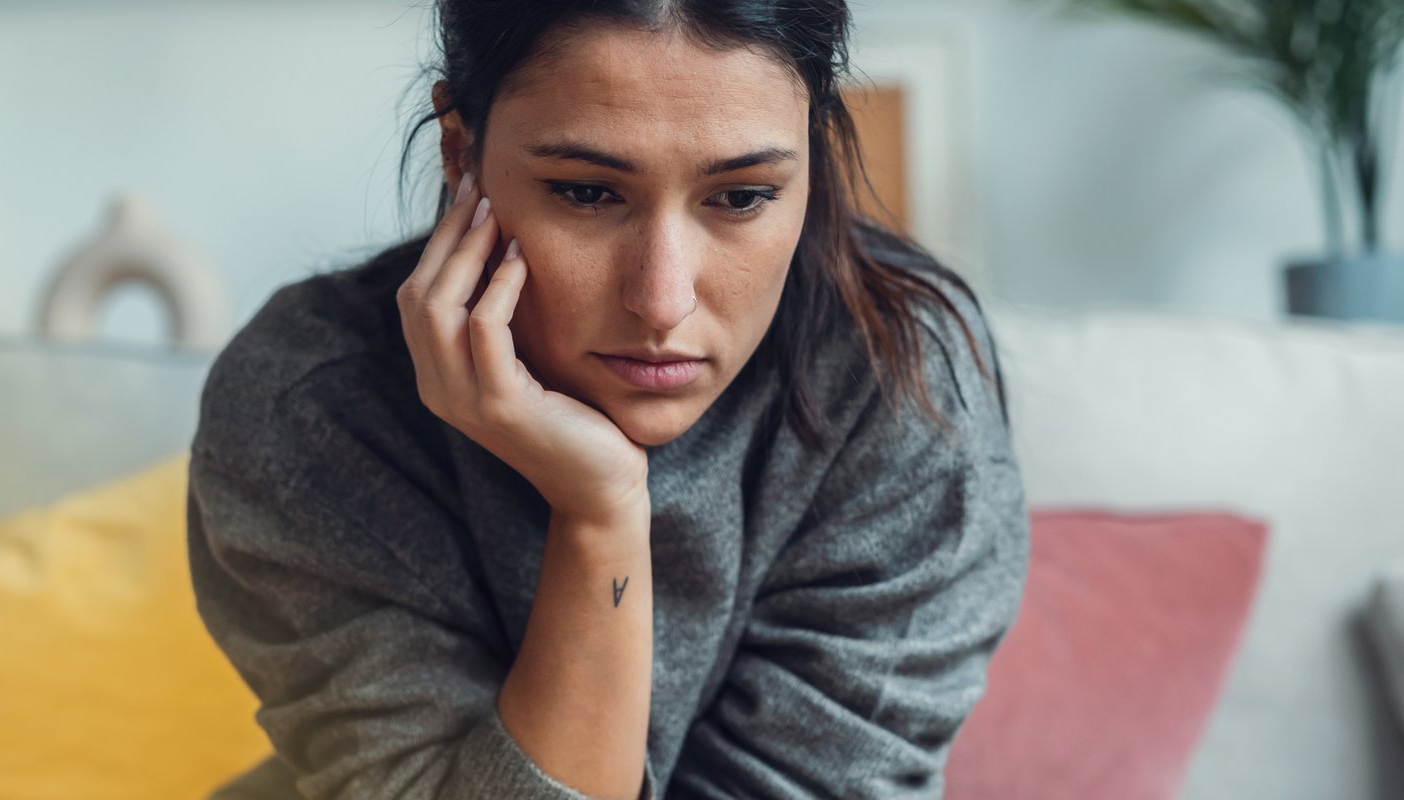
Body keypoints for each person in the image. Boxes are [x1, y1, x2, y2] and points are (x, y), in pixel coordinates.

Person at [185, 1, 1030, 798]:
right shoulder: (310, 408)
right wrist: (598, 516)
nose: (662, 301)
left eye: (740, 197)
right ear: (460, 150)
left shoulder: (899, 385)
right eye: (587, 192)